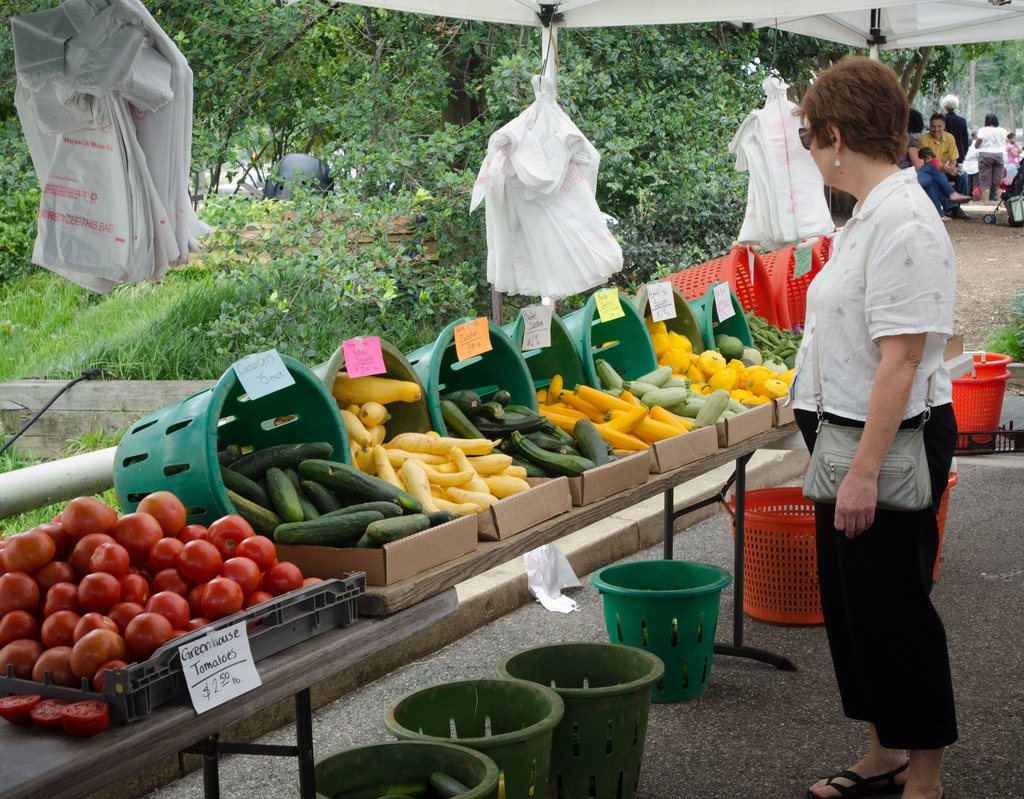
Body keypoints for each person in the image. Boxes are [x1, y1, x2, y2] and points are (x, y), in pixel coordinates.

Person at [793, 56, 958, 799]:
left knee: (895, 611)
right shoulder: (868, 214)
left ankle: (923, 778)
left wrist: (863, 469)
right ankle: (883, 750)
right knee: (857, 610)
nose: (809, 153)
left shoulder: (905, 219)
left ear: (833, 136)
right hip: (848, 438)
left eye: (807, 137)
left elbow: (902, 361)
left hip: (882, 444)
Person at [917, 113, 970, 218]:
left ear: (944, 126)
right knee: (941, 176)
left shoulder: (950, 138)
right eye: (933, 126)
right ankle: (953, 207)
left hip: (945, 169)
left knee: (962, 175)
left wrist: (950, 168)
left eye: (939, 126)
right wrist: (945, 169)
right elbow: (928, 162)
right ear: (930, 126)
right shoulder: (924, 139)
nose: (936, 129)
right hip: (931, 170)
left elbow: (953, 159)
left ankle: (957, 206)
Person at [974, 114, 1008, 202]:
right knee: (998, 183)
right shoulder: (1002, 130)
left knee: (985, 183)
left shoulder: (983, 130)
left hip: (985, 155)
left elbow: (976, 145)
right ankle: (999, 204)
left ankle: (986, 204)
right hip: (999, 155)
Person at [941, 94, 970, 172]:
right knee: (958, 174)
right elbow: (965, 140)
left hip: (944, 152)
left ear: (944, 106)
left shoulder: (942, 120)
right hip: (959, 152)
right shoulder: (962, 120)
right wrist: (964, 154)